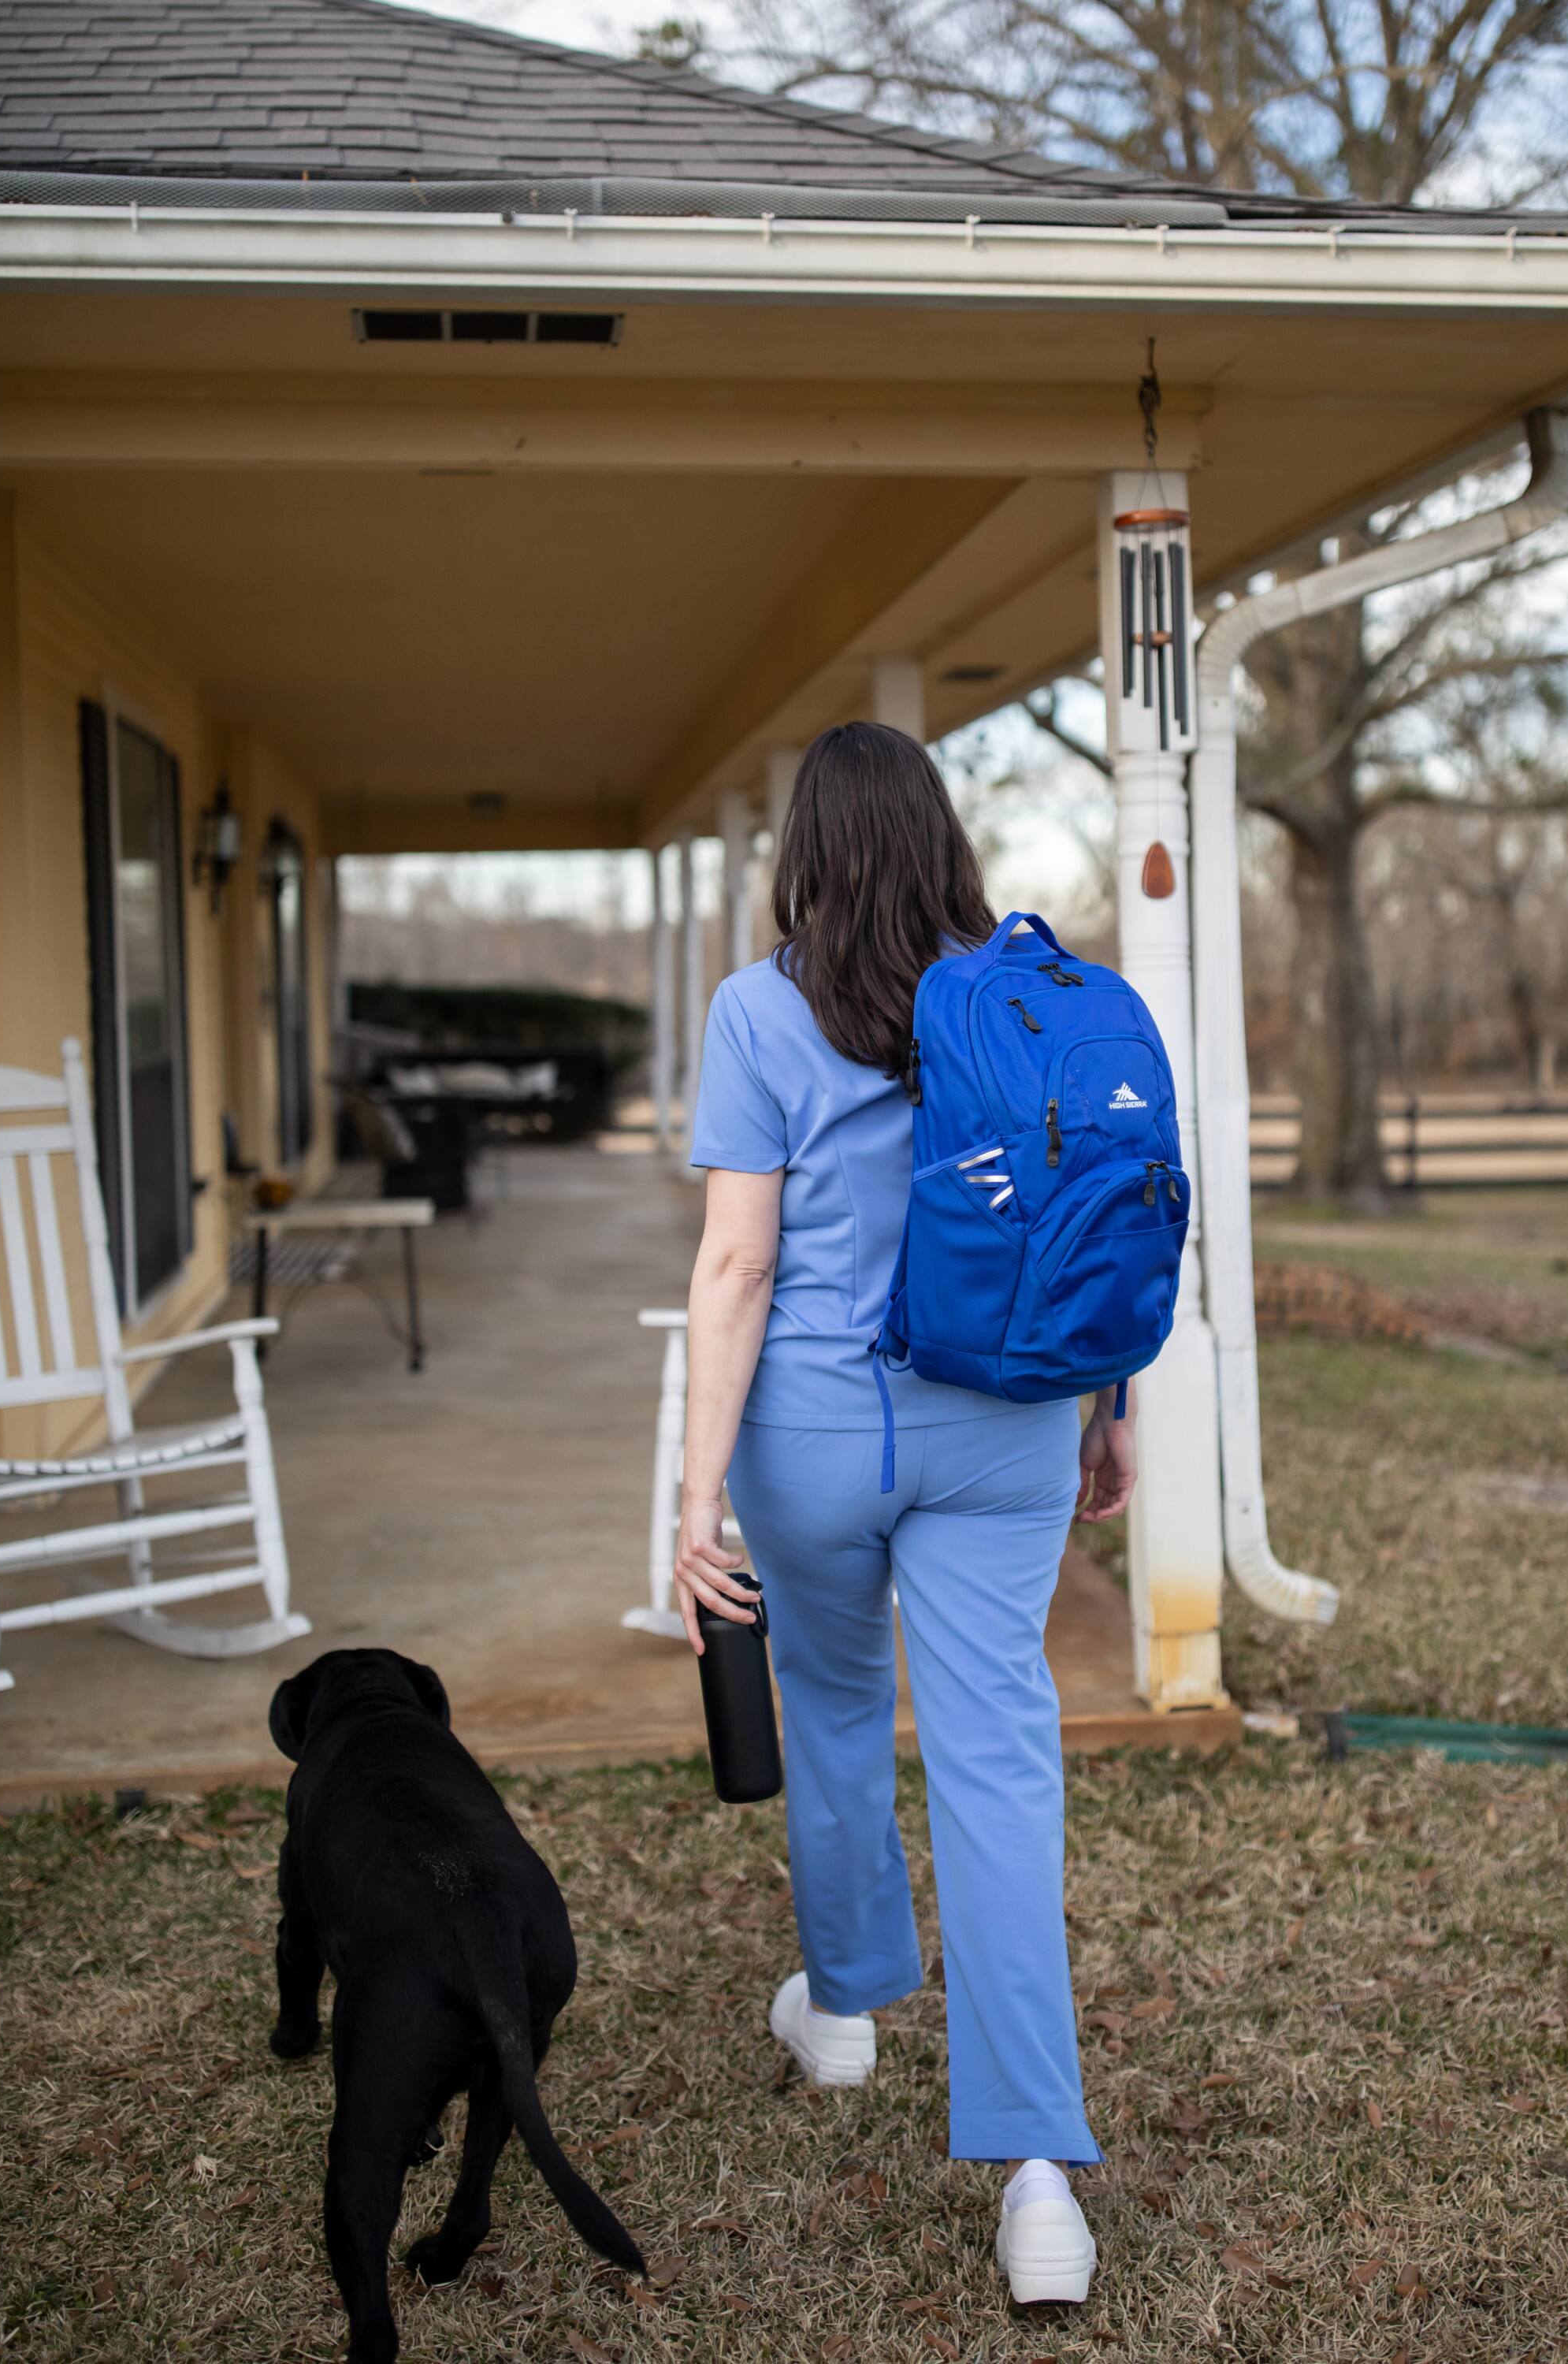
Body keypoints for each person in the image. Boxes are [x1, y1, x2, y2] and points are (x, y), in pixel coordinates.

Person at [674, 719, 1139, 2308]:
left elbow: (735, 1266)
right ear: (942, 836)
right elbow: (1089, 1200)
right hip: (1011, 1418)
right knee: (1000, 1759)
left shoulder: (758, 1009)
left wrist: (692, 1499)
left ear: (806, 848)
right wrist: (1113, 1406)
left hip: (812, 1433)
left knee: (837, 1702)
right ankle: (1038, 2184)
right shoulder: (1020, 992)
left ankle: (851, 2006)